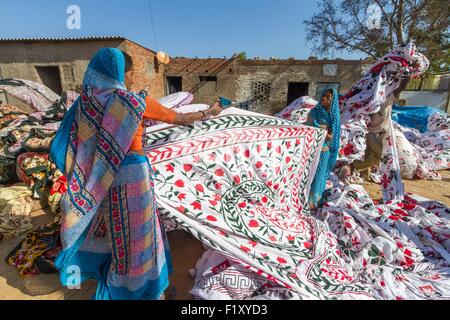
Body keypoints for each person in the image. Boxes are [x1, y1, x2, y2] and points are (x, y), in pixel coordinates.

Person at [53, 48, 222, 300]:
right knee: (141, 239)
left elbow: (64, 144)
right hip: (134, 180)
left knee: (119, 233)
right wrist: (211, 112)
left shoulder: (85, 105)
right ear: (121, 73)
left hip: (102, 181)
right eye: (131, 74)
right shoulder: (132, 102)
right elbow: (181, 118)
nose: (133, 79)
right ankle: (141, 289)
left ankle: (120, 279)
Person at [306, 89, 341, 209]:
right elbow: (307, 126)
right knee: (308, 176)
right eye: (323, 96)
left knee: (319, 177)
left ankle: (314, 202)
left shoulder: (334, 116)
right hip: (310, 150)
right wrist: (321, 128)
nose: (324, 98)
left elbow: (332, 136)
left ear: (333, 100)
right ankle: (305, 201)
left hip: (324, 152)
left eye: (328, 97)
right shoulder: (314, 112)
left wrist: (323, 130)